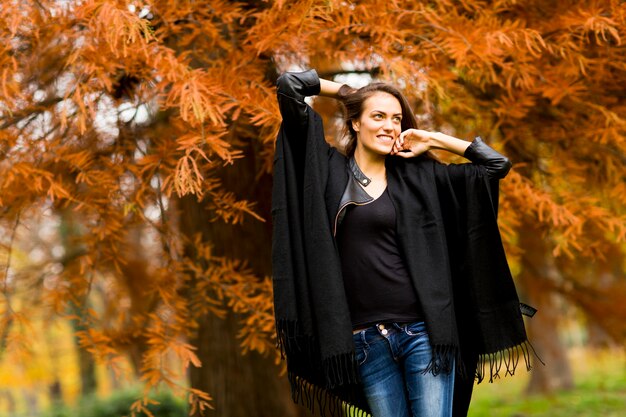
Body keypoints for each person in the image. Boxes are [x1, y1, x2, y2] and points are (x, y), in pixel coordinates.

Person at [271, 69, 534, 417]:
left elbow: (495, 165)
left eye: (396, 118)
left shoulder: (420, 177)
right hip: (365, 341)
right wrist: (354, 93)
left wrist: (434, 138)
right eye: (377, 116)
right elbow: (291, 87)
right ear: (355, 124)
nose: (389, 125)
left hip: (424, 333)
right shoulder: (330, 170)